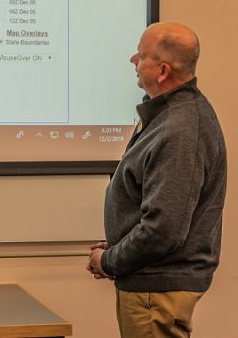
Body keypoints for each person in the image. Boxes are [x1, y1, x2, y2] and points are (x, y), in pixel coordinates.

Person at [87, 22, 227, 337]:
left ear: (162, 71)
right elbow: (162, 212)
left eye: (142, 55)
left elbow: (164, 230)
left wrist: (109, 261)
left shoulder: (181, 129)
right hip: (150, 285)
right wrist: (119, 244)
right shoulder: (171, 116)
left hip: (156, 294)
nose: (133, 60)